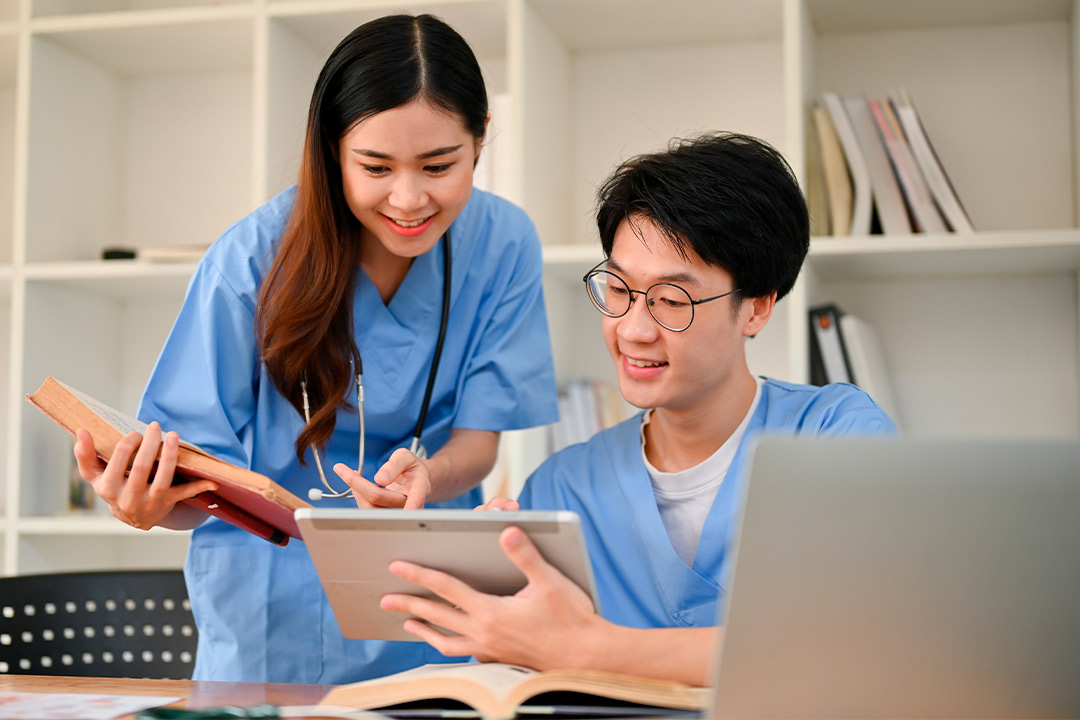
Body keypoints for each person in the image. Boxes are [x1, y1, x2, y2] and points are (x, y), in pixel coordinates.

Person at [72, 14, 558, 683]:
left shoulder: (505, 246)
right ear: (333, 151)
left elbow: (480, 443)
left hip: (426, 595)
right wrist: (145, 502)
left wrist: (428, 475)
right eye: (376, 166)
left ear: (480, 143)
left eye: (440, 165)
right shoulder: (250, 261)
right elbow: (197, 477)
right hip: (270, 617)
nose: (410, 198)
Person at [379, 132, 897, 686]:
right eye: (619, 289)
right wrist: (485, 595)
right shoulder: (563, 488)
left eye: (672, 300)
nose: (633, 329)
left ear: (758, 307)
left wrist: (591, 648)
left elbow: (863, 645)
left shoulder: (837, 438)